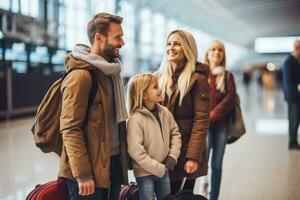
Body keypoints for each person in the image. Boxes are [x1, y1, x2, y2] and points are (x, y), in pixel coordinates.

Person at [59, 13, 129, 199]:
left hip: (111, 164)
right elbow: (70, 128)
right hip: (89, 170)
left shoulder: (111, 73)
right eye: (118, 37)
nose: (122, 42)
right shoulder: (80, 76)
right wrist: (83, 174)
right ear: (99, 37)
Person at [156, 30, 210, 194]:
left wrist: (192, 157)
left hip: (187, 150)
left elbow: (201, 121)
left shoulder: (198, 79)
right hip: (164, 150)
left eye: (177, 43)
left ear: (187, 48)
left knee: (180, 195)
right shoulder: (158, 77)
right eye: (169, 43)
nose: (171, 48)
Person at [126, 73, 182, 200]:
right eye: (155, 87)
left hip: (164, 169)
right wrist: (159, 168)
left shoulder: (165, 112)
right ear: (143, 95)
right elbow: (135, 151)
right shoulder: (135, 119)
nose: (160, 89)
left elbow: (175, 134)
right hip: (145, 173)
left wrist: (173, 156)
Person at [202, 40, 237, 200]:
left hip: (221, 126)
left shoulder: (228, 76)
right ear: (207, 54)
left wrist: (212, 116)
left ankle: (213, 197)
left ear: (223, 55)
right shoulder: (201, 75)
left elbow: (230, 100)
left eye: (220, 50)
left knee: (217, 164)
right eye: (213, 50)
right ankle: (200, 189)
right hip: (204, 127)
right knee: (202, 162)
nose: (216, 52)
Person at [282, 39, 300, 150]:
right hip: (293, 98)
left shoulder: (296, 60)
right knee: (294, 120)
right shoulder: (289, 61)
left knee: (296, 120)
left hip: (296, 97)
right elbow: (289, 82)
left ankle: (294, 141)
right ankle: (292, 143)